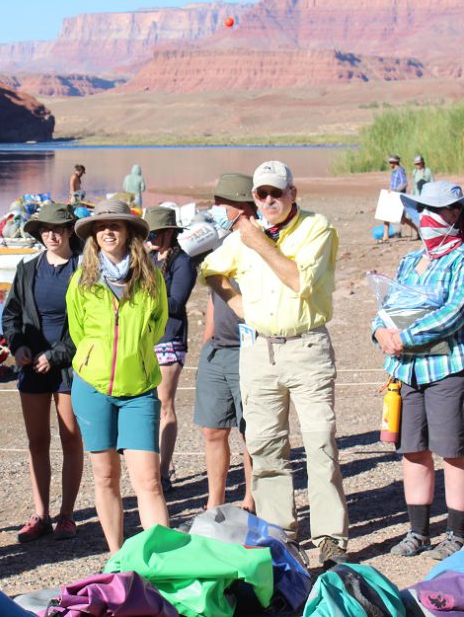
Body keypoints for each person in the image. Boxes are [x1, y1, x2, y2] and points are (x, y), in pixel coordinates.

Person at [201, 160, 349, 568]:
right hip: (258, 352)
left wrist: (254, 238)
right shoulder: (244, 236)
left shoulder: (316, 228)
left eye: (276, 194)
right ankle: (281, 534)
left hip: (306, 348)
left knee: (320, 443)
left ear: (292, 194)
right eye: (261, 195)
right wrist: (238, 305)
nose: (268, 201)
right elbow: (210, 270)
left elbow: (299, 281)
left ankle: (331, 539)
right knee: (266, 447)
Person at [372, 181, 464, 560]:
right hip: (407, 371)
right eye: (422, 210)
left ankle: (455, 531)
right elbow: (388, 305)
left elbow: (454, 313)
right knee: (413, 450)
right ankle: (417, 531)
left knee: (453, 450)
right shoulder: (409, 260)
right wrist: (379, 331)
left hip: (448, 369)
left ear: (455, 216)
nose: (426, 218)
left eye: (436, 210)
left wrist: (404, 337)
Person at [66, 199, 169, 553]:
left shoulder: (151, 277)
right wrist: (98, 359)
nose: (108, 231)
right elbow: (78, 333)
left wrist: (132, 355)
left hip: (139, 389)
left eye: (116, 225)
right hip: (92, 388)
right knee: (106, 476)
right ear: (94, 235)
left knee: (149, 481)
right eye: (101, 226)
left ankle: (163, 562)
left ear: (128, 233)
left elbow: (157, 326)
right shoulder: (82, 279)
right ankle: (117, 556)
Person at [2, 203, 84, 543]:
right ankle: (41, 514)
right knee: (37, 442)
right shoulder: (27, 268)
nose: (51, 234)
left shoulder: (84, 269)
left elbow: (89, 324)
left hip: (70, 367)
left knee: (70, 439)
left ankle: (66, 515)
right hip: (32, 366)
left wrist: (58, 354)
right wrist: (17, 345)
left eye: (58, 228)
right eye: (45, 229)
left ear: (68, 231)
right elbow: (12, 315)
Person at [194, 174, 256, 513]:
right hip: (217, 350)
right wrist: (206, 344)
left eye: (223, 203)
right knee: (213, 431)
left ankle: (250, 498)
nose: (217, 209)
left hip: (250, 349)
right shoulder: (220, 244)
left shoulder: (261, 243)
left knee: (250, 432)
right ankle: (213, 503)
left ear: (243, 207)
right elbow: (213, 297)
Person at [142, 207, 196, 493]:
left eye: (153, 233)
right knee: (148, 405)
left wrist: (147, 301)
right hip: (147, 339)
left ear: (168, 233)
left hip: (170, 338)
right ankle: (154, 467)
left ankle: (163, 472)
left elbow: (177, 303)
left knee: (164, 403)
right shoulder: (149, 258)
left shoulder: (183, 263)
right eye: (146, 233)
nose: (149, 238)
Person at [383, 155, 420, 241]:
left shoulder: (400, 171)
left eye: (390, 162)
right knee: (385, 215)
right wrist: (390, 190)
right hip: (392, 195)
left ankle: (417, 230)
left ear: (395, 162)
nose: (390, 164)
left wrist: (395, 190)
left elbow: (404, 184)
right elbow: (393, 184)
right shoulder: (394, 172)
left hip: (398, 196)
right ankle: (385, 236)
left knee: (401, 218)